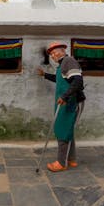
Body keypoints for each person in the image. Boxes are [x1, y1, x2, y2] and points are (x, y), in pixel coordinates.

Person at [38, 41, 85, 172]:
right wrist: (45, 75)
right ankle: (72, 159)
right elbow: (61, 80)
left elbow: (78, 81)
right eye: (51, 54)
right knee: (66, 129)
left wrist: (65, 96)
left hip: (71, 102)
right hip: (65, 102)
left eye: (55, 52)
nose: (53, 56)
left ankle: (61, 163)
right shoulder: (62, 65)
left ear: (62, 51)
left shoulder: (68, 61)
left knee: (63, 130)